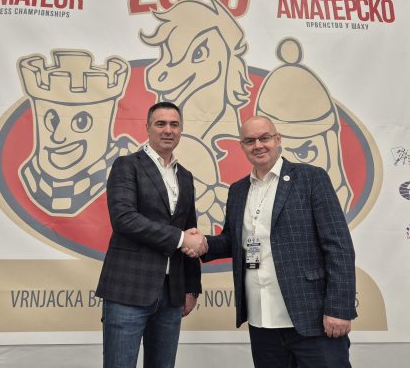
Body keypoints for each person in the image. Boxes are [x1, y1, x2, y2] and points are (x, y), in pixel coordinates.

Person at [194, 115, 357, 367]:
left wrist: (338, 308)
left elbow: (339, 247)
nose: (258, 145)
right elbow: (233, 240)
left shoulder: (310, 178)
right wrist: (202, 243)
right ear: (241, 146)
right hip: (262, 319)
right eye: (250, 140)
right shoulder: (238, 190)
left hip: (311, 316)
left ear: (278, 139)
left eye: (264, 138)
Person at [95, 101, 207, 368]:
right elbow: (124, 219)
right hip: (128, 289)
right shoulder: (126, 165)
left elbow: (190, 229)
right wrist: (181, 239)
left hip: (172, 294)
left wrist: (191, 287)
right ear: (147, 128)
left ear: (181, 130)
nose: (168, 130)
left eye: (174, 124)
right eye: (161, 124)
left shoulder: (186, 177)